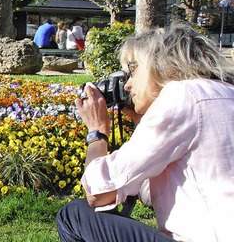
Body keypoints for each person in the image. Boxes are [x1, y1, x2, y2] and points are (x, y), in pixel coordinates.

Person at [57, 22, 234, 242]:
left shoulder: (181, 94)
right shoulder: (225, 93)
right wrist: (144, 124)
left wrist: (97, 131)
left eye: (133, 71)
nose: (128, 85)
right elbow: (153, 195)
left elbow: (98, 193)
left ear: (164, 66)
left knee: (74, 215)